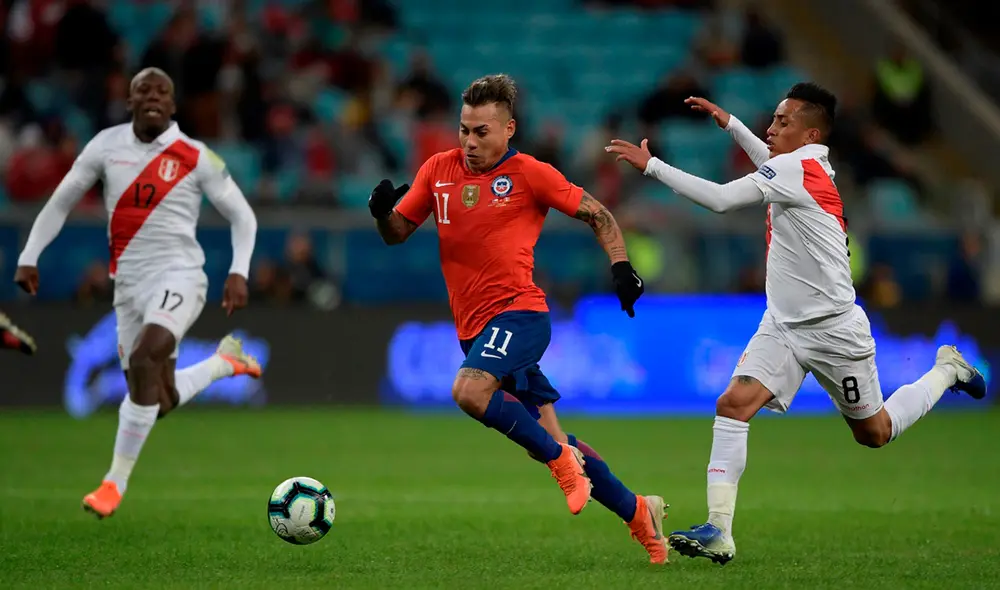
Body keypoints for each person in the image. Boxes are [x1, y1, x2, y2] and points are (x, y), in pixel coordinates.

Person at [606, 82, 986, 565]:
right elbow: (768, 157)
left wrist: (652, 167)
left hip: (834, 329)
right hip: (783, 325)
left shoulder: (795, 169)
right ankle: (719, 530)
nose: (771, 128)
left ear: (810, 134)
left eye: (782, 121)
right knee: (733, 404)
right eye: (772, 119)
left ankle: (947, 370)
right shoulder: (801, 165)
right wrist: (731, 124)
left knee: (875, 432)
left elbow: (721, 199)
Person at [368, 74, 668, 564]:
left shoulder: (529, 173)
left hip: (521, 314)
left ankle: (561, 462)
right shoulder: (438, 170)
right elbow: (397, 231)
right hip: (475, 330)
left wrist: (621, 266)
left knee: (470, 391)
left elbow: (598, 214)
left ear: (509, 129)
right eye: (464, 130)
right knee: (549, 437)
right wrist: (383, 213)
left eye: (481, 132)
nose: (469, 141)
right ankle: (639, 512)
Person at [14, 68, 263, 519]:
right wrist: (30, 255)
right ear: (129, 102)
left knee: (147, 357)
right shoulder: (105, 146)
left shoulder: (196, 155)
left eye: (162, 91)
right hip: (127, 286)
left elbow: (243, 216)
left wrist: (238, 272)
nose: (152, 96)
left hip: (180, 276)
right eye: (142, 90)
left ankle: (113, 483)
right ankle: (223, 364)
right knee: (155, 397)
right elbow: (62, 201)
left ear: (173, 105)